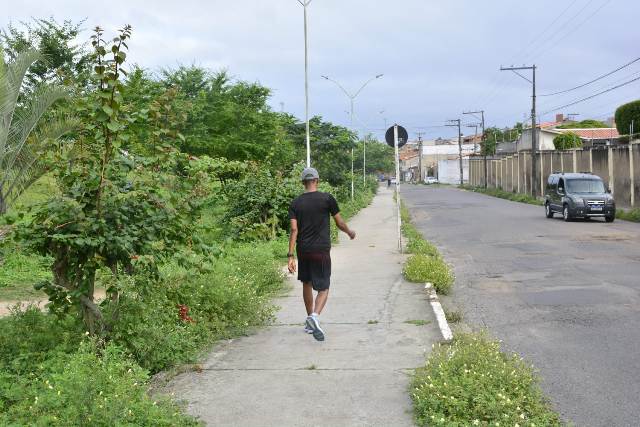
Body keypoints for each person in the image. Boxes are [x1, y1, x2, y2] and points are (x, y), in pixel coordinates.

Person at [287, 167, 356, 341]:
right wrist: (349, 232)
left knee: (307, 283)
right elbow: (339, 222)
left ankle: (309, 321)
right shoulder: (327, 199)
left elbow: (294, 229)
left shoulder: (295, 203)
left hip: (303, 250)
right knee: (324, 288)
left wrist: (290, 255)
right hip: (321, 250)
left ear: (303, 182)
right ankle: (314, 317)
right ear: (317, 180)